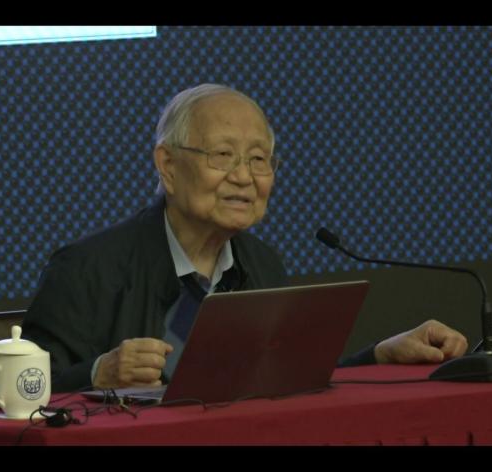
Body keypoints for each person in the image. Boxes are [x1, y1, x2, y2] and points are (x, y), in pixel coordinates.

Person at [23, 84, 468, 393]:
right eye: (222, 155)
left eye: (258, 159)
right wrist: (96, 373)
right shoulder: (84, 270)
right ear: (168, 166)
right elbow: (18, 392)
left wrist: (380, 356)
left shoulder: (262, 264)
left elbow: (285, 382)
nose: (244, 177)